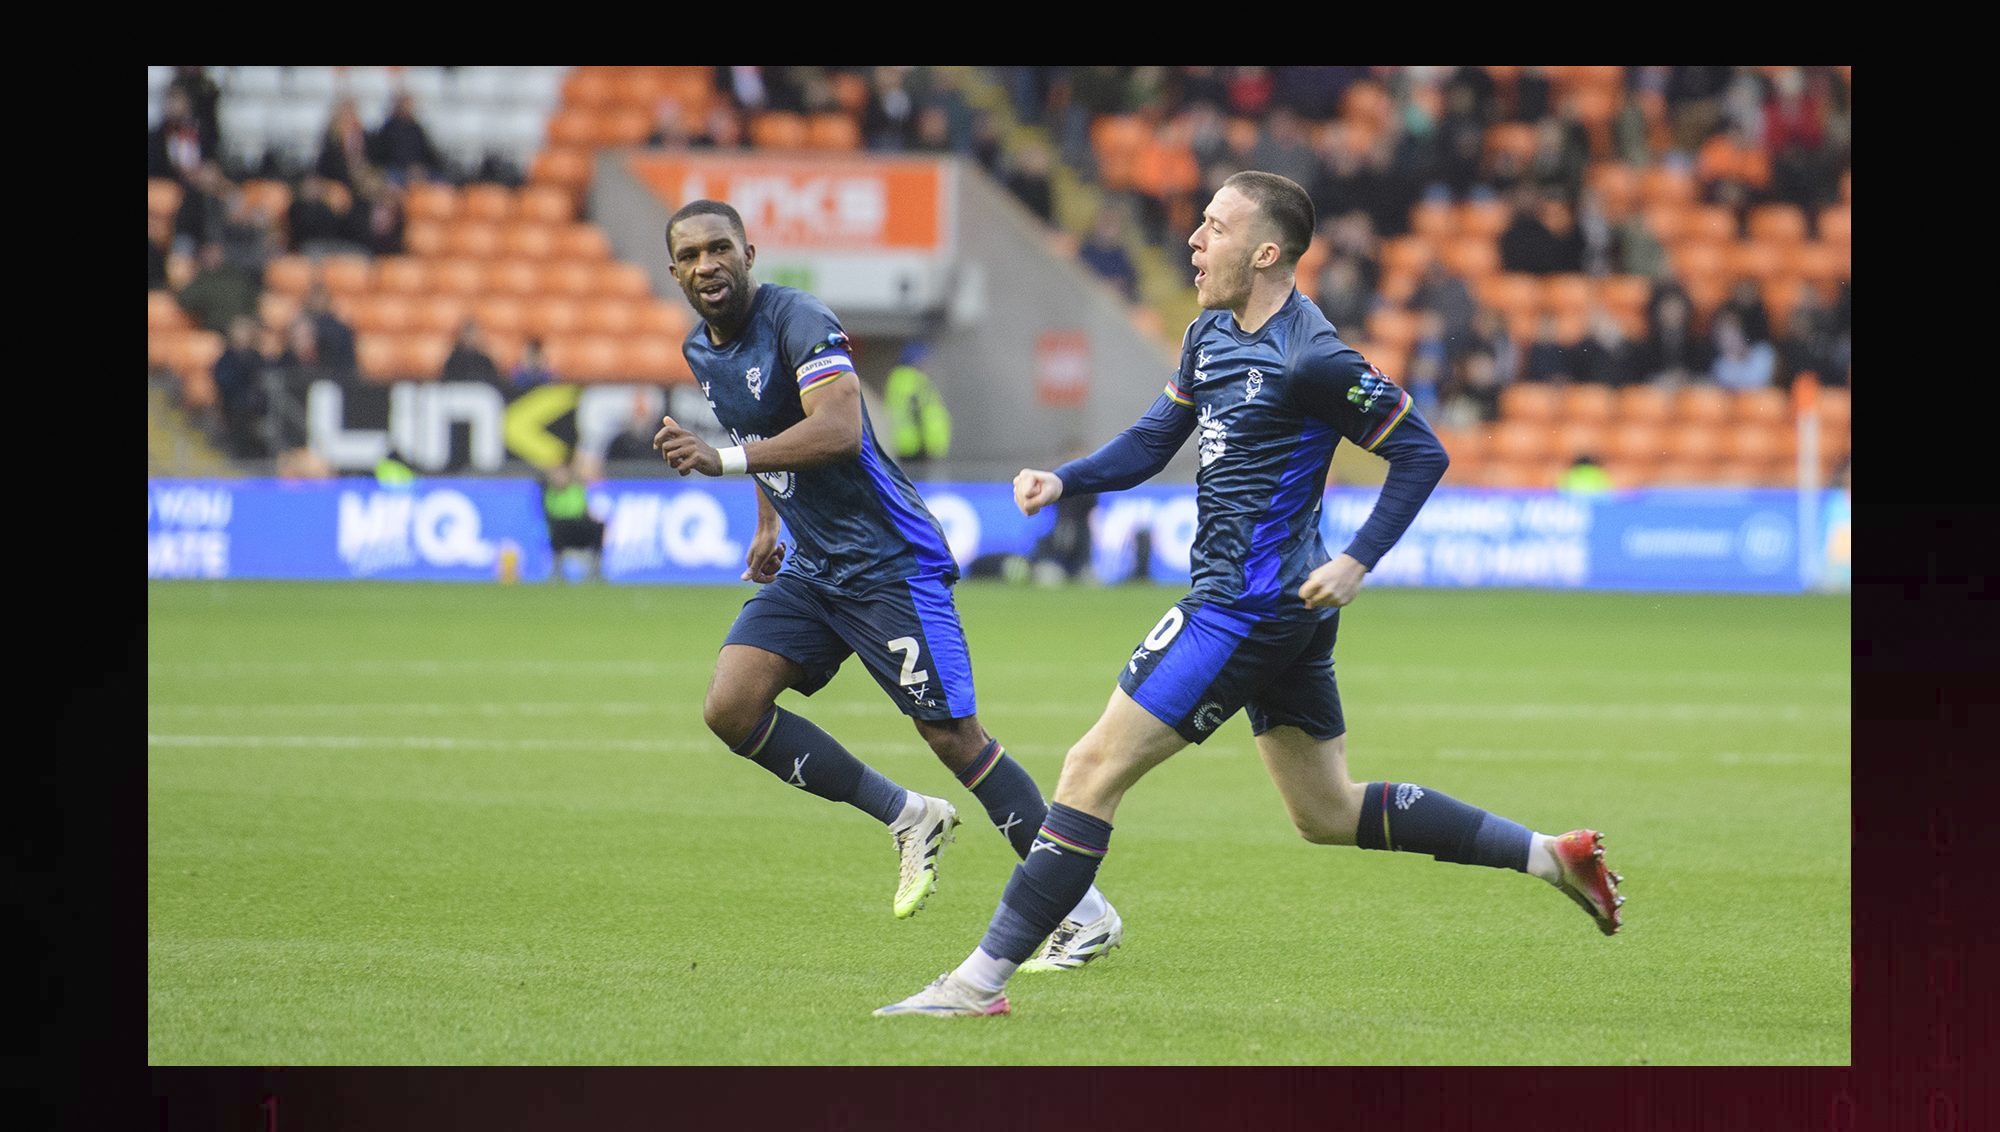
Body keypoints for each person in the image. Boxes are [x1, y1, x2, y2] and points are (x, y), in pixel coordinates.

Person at [877, 171, 1623, 1018]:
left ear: (1266, 253)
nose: (1195, 241)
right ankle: (1551, 856)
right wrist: (1066, 479)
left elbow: (1422, 451)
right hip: (1282, 610)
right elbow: (1156, 438)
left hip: (1243, 608)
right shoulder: (1209, 334)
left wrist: (1359, 559)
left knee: (1089, 769)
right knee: (1326, 811)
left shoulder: (1315, 356)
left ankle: (977, 984)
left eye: (1215, 227)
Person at [650, 199, 1121, 955]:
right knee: (732, 707)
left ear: (749, 254)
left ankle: (1086, 912)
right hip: (816, 565)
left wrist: (723, 462)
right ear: (674, 271)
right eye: (691, 255)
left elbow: (839, 430)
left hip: (887, 562)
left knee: (954, 737)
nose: (707, 264)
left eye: (720, 248)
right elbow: (758, 426)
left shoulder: (798, 319)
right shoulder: (701, 351)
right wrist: (768, 522)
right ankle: (908, 815)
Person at [883, 343, 952, 465]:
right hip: (920, 447)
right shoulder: (916, 381)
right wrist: (928, 445)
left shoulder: (896, 380)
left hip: (903, 444)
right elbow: (920, 414)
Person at [542, 460, 605, 582]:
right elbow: (553, 512)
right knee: (559, 527)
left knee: (598, 527)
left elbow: (582, 509)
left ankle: (595, 571)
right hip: (562, 530)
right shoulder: (549, 491)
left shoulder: (577, 488)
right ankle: (557, 571)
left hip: (578, 528)